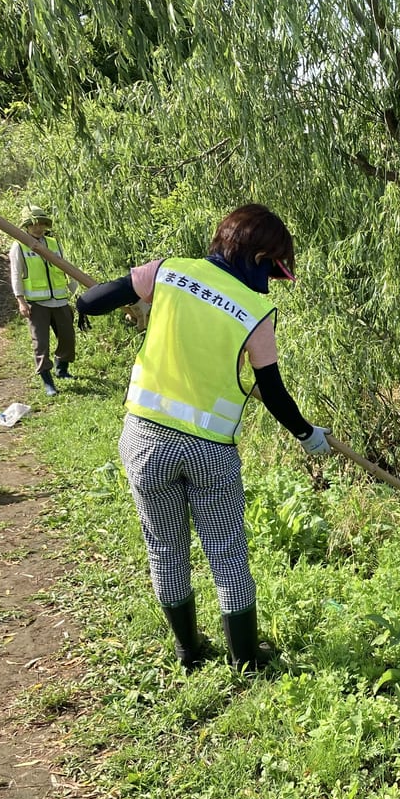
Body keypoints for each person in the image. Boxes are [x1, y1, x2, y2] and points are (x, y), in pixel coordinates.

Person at [76, 204, 331, 671]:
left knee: (165, 549)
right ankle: (246, 661)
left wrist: (130, 300)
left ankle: (189, 652)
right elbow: (270, 390)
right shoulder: (256, 311)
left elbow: (90, 302)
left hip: (146, 442)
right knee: (227, 551)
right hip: (209, 450)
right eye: (273, 272)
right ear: (258, 259)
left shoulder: (170, 273)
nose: (271, 283)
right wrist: (307, 433)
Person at [10, 205, 78, 397]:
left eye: (41, 224)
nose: (38, 228)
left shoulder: (54, 243)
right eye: (34, 225)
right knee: (40, 343)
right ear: (26, 226)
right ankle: (47, 381)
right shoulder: (19, 246)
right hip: (36, 303)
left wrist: (76, 292)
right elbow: (16, 274)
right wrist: (20, 300)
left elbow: (66, 268)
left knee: (67, 337)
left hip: (59, 300)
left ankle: (62, 369)